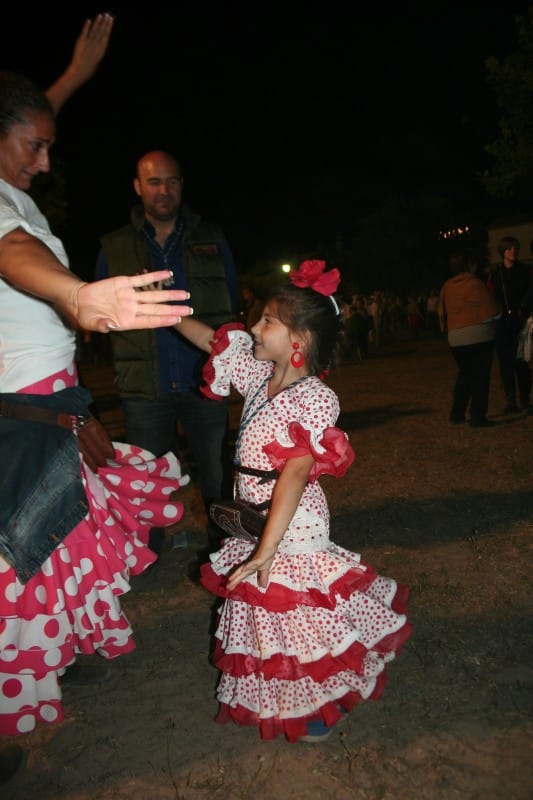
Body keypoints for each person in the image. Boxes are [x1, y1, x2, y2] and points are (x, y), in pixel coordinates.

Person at [0, 61, 194, 758]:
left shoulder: (13, 187)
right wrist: (76, 294)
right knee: (20, 557)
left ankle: (56, 651)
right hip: (15, 413)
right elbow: (13, 253)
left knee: (62, 540)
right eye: (35, 146)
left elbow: (20, 118)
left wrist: (72, 77)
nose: (46, 161)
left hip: (53, 401)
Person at [176, 259, 412, 743]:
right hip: (256, 518)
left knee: (298, 615)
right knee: (271, 616)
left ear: (298, 340)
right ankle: (290, 695)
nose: (253, 327)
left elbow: (297, 472)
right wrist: (162, 311)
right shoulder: (261, 376)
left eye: (267, 321)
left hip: (293, 523)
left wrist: (268, 546)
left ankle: (319, 702)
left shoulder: (314, 398)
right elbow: (209, 339)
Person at [94, 150, 238, 561]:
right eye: (154, 182)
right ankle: (146, 552)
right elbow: (100, 311)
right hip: (145, 386)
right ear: (138, 188)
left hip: (203, 380)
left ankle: (226, 548)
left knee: (216, 471)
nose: (163, 190)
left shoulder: (211, 238)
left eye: (171, 181)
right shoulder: (115, 246)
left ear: (181, 185)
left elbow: (227, 301)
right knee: (143, 478)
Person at [439, 251, 501, 427]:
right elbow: (490, 309)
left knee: (465, 374)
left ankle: (457, 413)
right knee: (481, 376)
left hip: (456, 338)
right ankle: (478, 416)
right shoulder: (475, 284)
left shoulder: (448, 286)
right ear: (470, 265)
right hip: (479, 335)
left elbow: (443, 311)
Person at [487, 236, 533, 415]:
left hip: (520, 322)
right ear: (503, 252)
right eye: (509, 248)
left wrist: (523, 311)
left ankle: (524, 400)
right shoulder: (496, 273)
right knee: (506, 364)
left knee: (522, 362)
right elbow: (491, 296)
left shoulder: (525, 271)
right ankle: (511, 400)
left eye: (515, 248)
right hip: (503, 323)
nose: (513, 251)